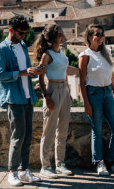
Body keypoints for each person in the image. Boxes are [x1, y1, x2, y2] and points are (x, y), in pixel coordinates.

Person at [0, 14, 45, 187]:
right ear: (11, 30)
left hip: (27, 95)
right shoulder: (2, 49)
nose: (23, 36)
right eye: (21, 33)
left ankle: (24, 171)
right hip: (14, 98)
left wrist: (33, 71)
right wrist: (23, 72)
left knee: (28, 136)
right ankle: (12, 172)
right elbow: (0, 75)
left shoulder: (22, 46)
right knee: (18, 136)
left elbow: (24, 70)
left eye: (25, 33)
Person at [78, 24, 114, 176]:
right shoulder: (85, 56)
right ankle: (99, 162)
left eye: (102, 34)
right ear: (89, 36)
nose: (101, 37)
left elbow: (109, 76)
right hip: (93, 94)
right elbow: (82, 81)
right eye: (97, 34)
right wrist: (86, 103)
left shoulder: (106, 52)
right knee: (97, 130)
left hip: (107, 93)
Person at [34, 23, 76, 179]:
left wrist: (69, 92)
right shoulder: (47, 55)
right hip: (52, 89)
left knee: (63, 130)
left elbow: (65, 72)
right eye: (59, 34)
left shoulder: (62, 52)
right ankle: (45, 166)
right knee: (49, 131)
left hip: (64, 89)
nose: (62, 36)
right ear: (52, 38)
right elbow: (40, 78)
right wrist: (46, 96)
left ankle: (60, 164)